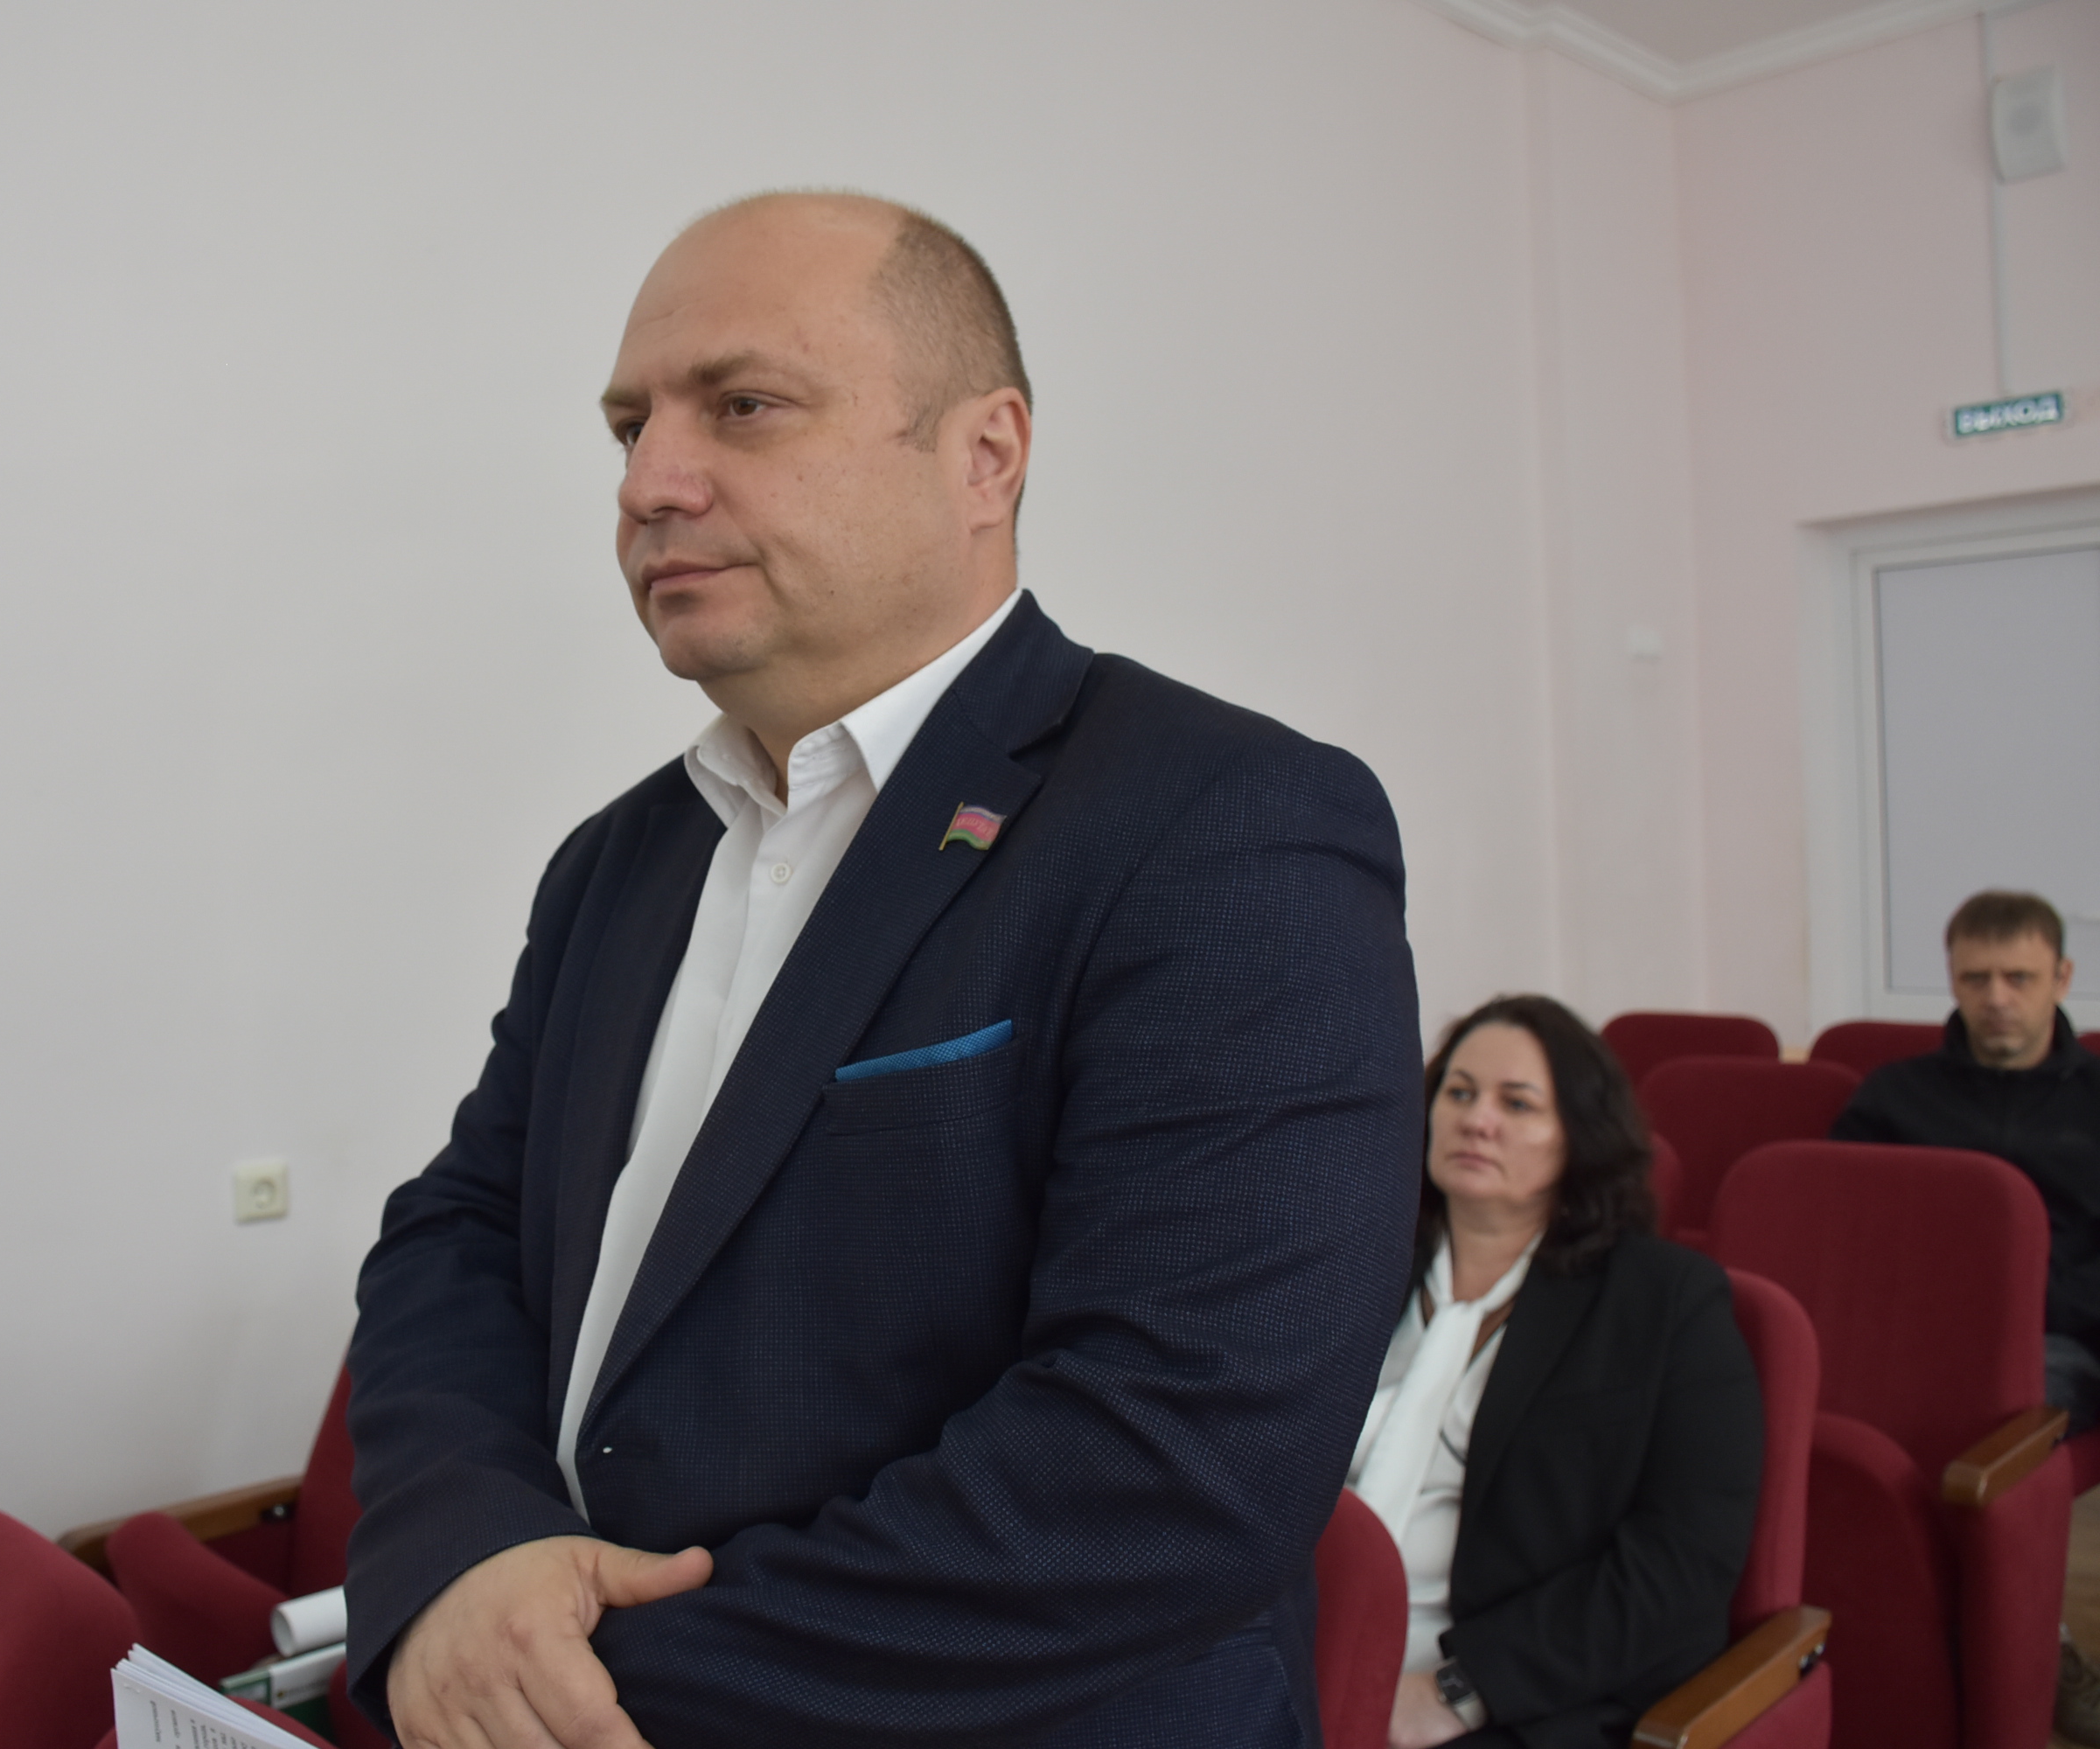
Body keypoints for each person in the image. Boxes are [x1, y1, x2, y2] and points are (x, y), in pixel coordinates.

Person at [337, 191, 1425, 1749]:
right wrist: (464, 1555)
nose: (648, 483)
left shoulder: (1222, 824)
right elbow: (457, 1237)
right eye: (630, 427)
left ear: (985, 456)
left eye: (743, 406)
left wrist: (570, 1692)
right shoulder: (613, 864)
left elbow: (1170, 1465)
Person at [1350, 995, 1761, 1749]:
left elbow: (1681, 1565)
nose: (1478, 1121)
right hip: (1296, 1648)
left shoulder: (1663, 1303)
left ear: (1580, 1133)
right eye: (1459, 1093)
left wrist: (1460, 1689)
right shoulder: (1359, 1272)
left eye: (1517, 1103)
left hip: (1508, 1697)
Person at [1825, 888, 2100, 1747]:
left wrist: (2024, 1311)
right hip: (1906, 1340)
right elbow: (1842, 1235)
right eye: (1975, 978)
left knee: (1987, 1430)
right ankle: (1880, 1652)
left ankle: (2029, 1651)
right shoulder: (1892, 1097)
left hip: (2056, 1341)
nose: (1996, 998)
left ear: (2062, 977)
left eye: (2018, 977)